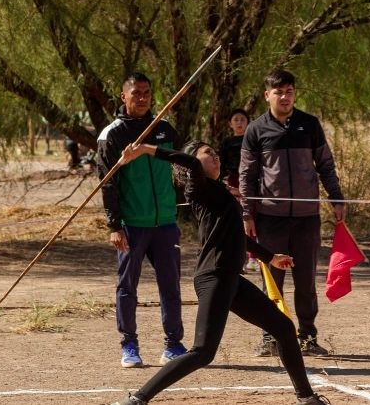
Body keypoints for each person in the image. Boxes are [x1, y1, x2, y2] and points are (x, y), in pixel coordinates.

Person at [111, 141, 331, 405]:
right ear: (191, 165)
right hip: (214, 276)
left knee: (283, 327)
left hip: (230, 278)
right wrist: (147, 149)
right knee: (203, 352)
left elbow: (236, 235)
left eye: (215, 153)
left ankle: (306, 397)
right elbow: (191, 164)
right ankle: (138, 399)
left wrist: (270, 257)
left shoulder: (218, 192)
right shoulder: (198, 188)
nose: (215, 157)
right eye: (208, 154)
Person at [239, 69, 345, 357]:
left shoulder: (309, 124)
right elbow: (246, 175)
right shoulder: (256, 130)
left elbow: (325, 165)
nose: (285, 97)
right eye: (279, 92)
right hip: (269, 219)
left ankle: (308, 336)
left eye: (289, 92)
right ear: (267, 95)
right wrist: (247, 214)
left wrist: (336, 198)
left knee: (306, 280)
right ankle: (270, 336)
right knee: (271, 280)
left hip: (306, 218)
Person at [96, 73, 186, 368]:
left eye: (147, 92)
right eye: (136, 93)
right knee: (127, 287)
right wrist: (113, 225)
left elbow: (183, 167)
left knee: (171, 285)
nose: (142, 97)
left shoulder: (164, 128)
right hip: (132, 224)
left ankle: (173, 344)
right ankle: (129, 345)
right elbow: (107, 183)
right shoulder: (113, 134)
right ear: (124, 96)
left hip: (165, 223)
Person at [219, 108, 257, 272]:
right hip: (233, 179)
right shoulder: (226, 143)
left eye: (242, 119)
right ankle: (236, 258)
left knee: (250, 218)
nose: (239, 123)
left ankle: (253, 257)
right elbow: (220, 164)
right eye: (236, 120)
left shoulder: (253, 139)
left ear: (248, 122)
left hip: (251, 181)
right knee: (236, 217)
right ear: (230, 124)